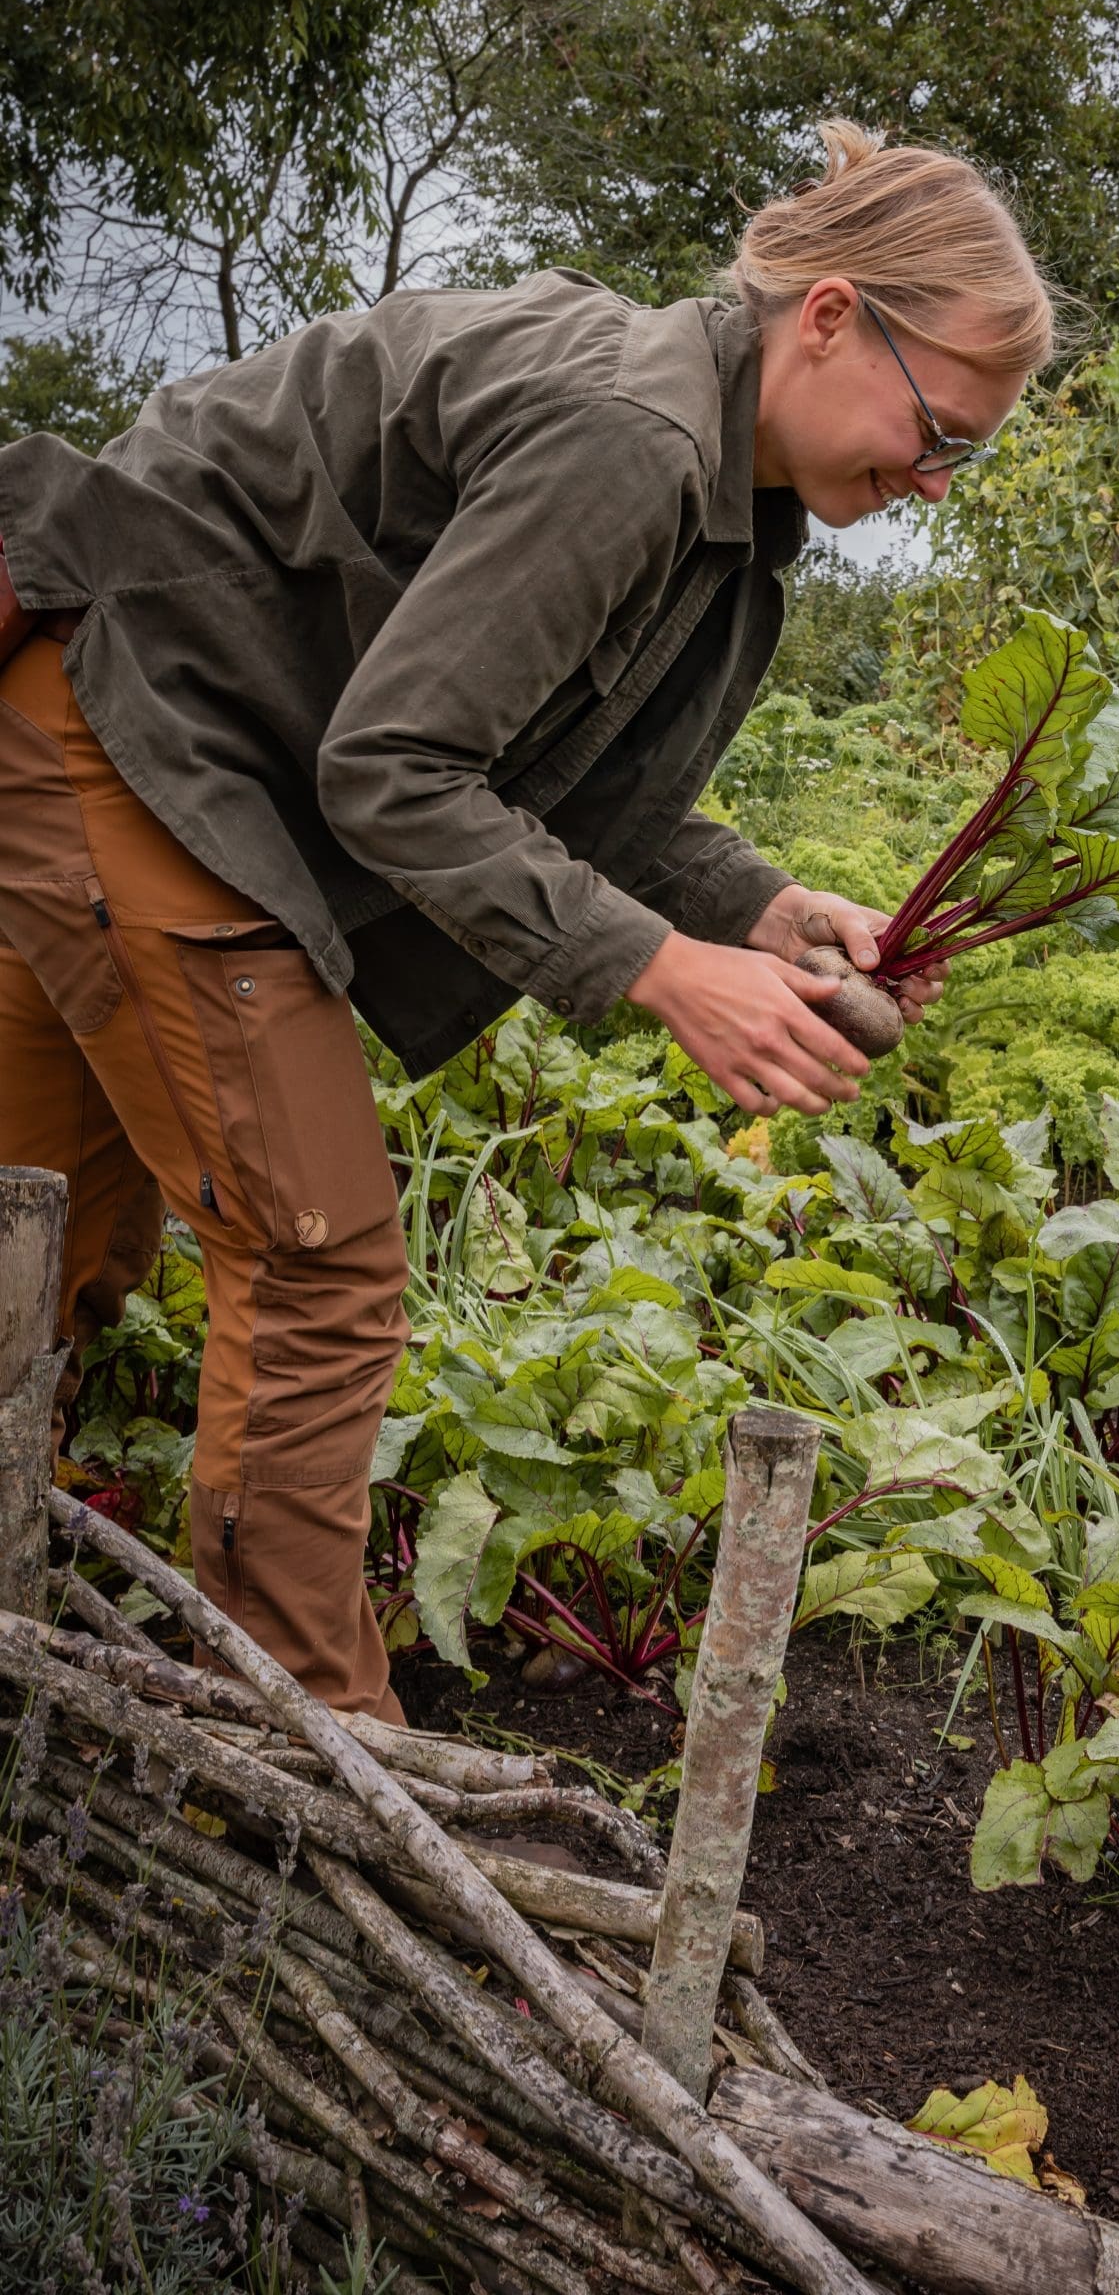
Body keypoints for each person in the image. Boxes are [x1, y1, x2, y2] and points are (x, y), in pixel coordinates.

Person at [0, 121, 1057, 1718]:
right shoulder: (632, 440)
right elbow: (397, 770)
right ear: (832, 316)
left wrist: (752, 905)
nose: (928, 481)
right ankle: (316, 1763)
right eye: (937, 433)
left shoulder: (721, 487)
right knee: (316, 1265)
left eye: (960, 457)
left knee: (50, 1226)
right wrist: (658, 969)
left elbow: (539, 765)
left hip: (141, 727)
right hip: (137, 726)